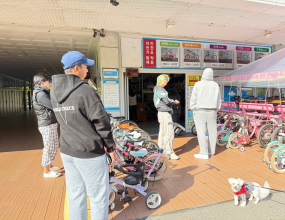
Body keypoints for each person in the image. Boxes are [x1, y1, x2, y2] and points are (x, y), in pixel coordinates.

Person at [50, 51, 115, 220]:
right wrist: (110, 146)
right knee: (98, 198)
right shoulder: (85, 91)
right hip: (89, 152)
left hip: (67, 151)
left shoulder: (53, 92)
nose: (88, 70)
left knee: (76, 195)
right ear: (77, 69)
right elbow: (102, 121)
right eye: (86, 66)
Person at [32, 72, 62, 178]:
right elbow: (53, 105)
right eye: (48, 81)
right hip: (46, 124)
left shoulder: (43, 92)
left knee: (54, 145)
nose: (50, 83)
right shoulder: (40, 94)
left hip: (50, 122)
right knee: (48, 146)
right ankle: (46, 171)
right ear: (42, 82)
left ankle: (50, 165)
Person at [190, 68, 221, 160]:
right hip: (212, 111)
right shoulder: (215, 85)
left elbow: (193, 98)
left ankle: (203, 153)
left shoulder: (198, 84)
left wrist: (193, 109)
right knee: (212, 132)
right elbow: (218, 99)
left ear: (203, 74)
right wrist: (216, 109)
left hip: (199, 111)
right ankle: (211, 151)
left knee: (201, 132)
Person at [153, 74, 180, 160]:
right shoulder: (160, 89)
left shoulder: (158, 88)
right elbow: (166, 100)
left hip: (161, 112)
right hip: (165, 113)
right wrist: (174, 101)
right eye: (164, 80)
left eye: (166, 80)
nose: (166, 81)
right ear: (160, 80)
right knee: (169, 133)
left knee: (163, 132)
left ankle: (161, 149)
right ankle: (169, 152)